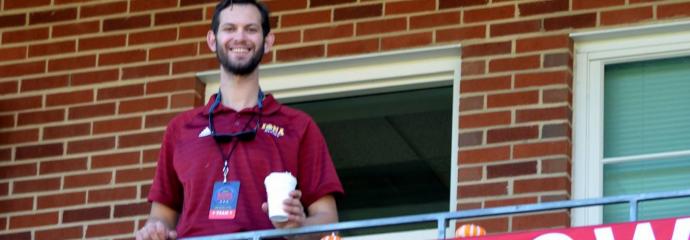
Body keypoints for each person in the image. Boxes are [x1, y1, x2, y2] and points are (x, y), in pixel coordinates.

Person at [135, 0, 344, 239]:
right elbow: (161, 215)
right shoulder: (180, 129)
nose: (240, 37)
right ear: (212, 40)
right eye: (230, 28)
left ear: (267, 42)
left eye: (251, 29)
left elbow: (329, 220)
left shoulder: (298, 126)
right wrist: (155, 230)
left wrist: (299, 228)